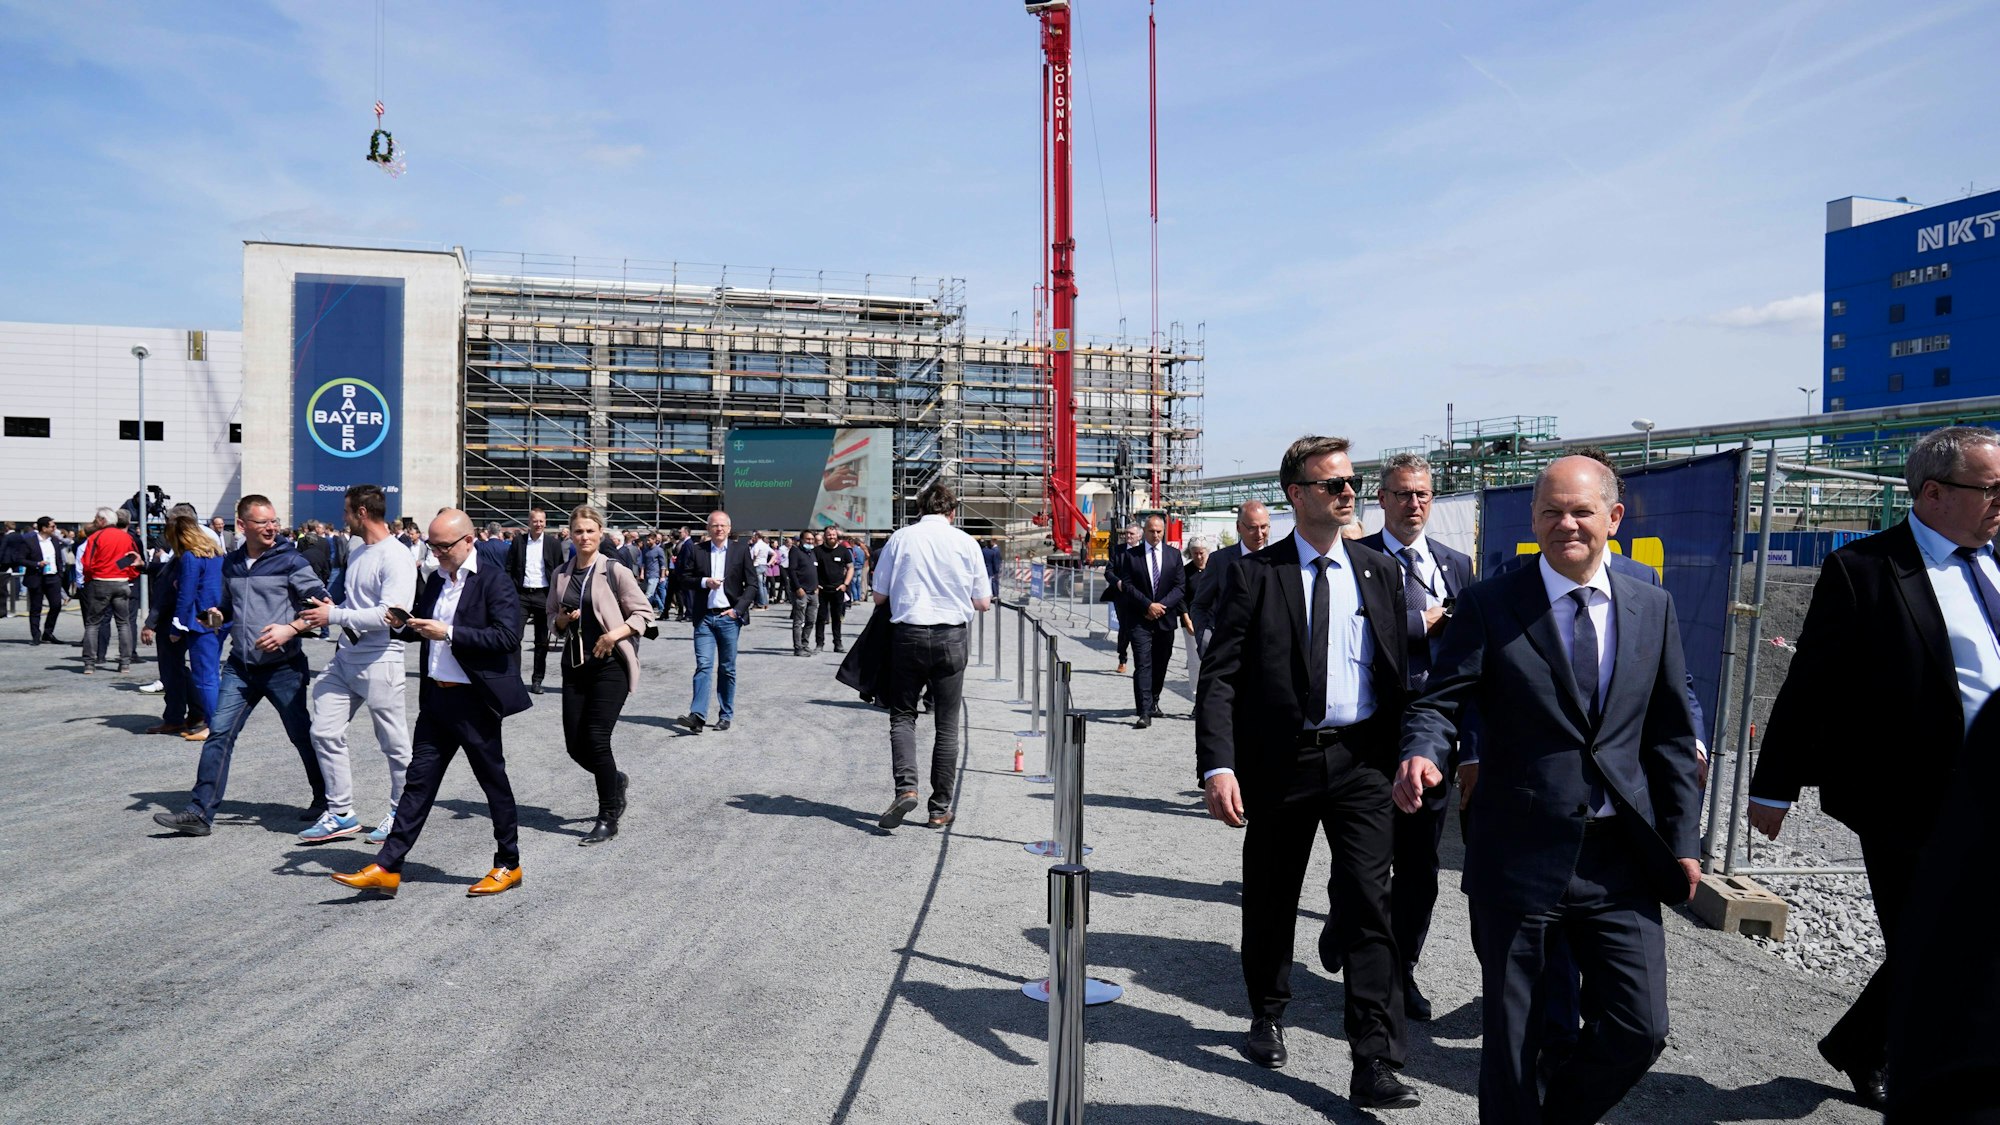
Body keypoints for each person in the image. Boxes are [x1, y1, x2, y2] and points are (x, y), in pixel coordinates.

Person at [1396, 455, 1702, 1125]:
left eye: (1581, 511)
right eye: (1552, 511)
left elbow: (1672, 735)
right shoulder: (1490, 603)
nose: (1566, 523)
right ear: (1534, 519)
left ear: (1613, 518)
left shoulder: (1652, 605)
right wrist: (1423, 752)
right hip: (1520, 854)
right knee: (1512, 1045)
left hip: (1619, 857)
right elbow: (1439, 703)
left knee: (1639, 1026)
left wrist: (1682, 839)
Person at [1748, 425, 2000, 1112]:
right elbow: (1810, 685)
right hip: (1909, 800)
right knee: (1930, 940)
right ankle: (1918, 1072)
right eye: (1992, 489)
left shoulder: (1996, 563)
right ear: (1933, 493)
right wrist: (1773, 785)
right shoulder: (1865, 570)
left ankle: (1861, 1041)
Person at [1195, 434, 1420, 1110]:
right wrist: (1219, 763)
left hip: (1360, 763)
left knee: (1368, 902)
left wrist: (1413, 752)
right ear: (1299, 495)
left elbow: (1397, 675)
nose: (1349, 492)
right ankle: (1266, 1010)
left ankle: (1374, 1058)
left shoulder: (1380, 573)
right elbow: (1220, 680)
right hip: (1279, 764)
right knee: (1270, 896)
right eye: (1333, 484)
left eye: (1352, 481)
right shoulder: (1254, 575)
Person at [332, 509, 533, 898]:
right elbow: (423, 629)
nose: (436, 553)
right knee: (417, 784)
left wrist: (450, 632)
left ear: (468, 540)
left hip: (476, 701)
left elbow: (507, 637)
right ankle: (388, 867)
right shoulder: (435, 580)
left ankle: (509, 864)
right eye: (432, 544)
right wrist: (403, 624)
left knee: (493, 784)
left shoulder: (495, 581)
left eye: (443, 546)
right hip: (438, 699)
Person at [1358, 452, 1474, 1022]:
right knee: (1364, 859)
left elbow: (1473, 656)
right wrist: (1418, 623)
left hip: (1435, 741)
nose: (1414, 504)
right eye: (1403, 494)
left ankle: (1402, 968)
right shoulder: (1360, 560)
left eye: (1423, 494)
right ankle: (1348, 927)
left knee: (1421, 864)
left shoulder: (1456, 565)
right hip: (1371, 736)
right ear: (1382, 500)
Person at [151, 495, 333, 836]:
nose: (271, 527)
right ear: (243, 525)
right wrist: (218, 615)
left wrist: (289, 629)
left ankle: (328, 801)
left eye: (274, 521)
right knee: (219, 733)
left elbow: (321, 606)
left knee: (300, 734)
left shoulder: (291, 560)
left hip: (284, 667)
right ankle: (199, 812)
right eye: (263, 522)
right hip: (241, 666)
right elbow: (227, 607)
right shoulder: (231, 563)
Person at [293, 484, 420, 845]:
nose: (343, 518)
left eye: (347, 511)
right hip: (346, 656)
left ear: (362, 512)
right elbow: (358, 601)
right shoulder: (357, 549)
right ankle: (341, 813)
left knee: (394, 744)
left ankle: (401, 812)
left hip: (382, 660)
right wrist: (334, 606)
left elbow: (391, 615)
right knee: (324, 731)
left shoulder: (396, 555)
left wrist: (333, 614)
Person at [870, 482, 991, 830]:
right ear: (952, 512)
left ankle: (906, 787)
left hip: (907, 635)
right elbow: (982, 602)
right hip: (951, 637)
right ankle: (939, 808)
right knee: (947, 726)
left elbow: (879, 596)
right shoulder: (967, 543)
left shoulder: (901, 538)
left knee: (902, 717)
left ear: (920, 509)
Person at [547, 505, 654, 845]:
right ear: (570, 535)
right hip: (576, 665)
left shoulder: (613, 570)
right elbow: (552, 616)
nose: (584, 537)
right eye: (578, 531)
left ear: (600, 534)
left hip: (610, 667)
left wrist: (613, 635)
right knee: (575, 747)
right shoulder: (561, 574)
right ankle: (615, 780)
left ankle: (608, 815)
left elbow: (644, 614)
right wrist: (562, 620)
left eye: (590, 531)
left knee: (595, 738)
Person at [676, 510, 757, 733]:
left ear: (729, 529)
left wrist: (737, 611)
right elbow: (683, 578)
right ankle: (697, 716)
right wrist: (704, 582)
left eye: (722, 525)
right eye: (714, 525)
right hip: (704, 618)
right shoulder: (696, 550)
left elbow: (752, 585)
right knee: (703, 665)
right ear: (708, 529)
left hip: (729, 618)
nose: (719, 529)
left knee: (727, 668)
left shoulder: (741, 551)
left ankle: (725, 714)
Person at [1112, 514, 1185, 727]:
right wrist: (1147, 605)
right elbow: (1127, 585)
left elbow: (1180, 587)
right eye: (1151, 531)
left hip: (1165, 619)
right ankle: (1143, 711)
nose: (1155, 535)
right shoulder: (1131, 556)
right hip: (1139, 619)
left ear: (1164, 532)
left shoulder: (1174, 555)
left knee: (1161, 663)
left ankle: (1154, 699)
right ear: (1145, 531)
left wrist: (1160, 608)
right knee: (1143, 664)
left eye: (1159, 531)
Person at [1192, 500, 1273, 657]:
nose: (1259, 534)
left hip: (1266, 653)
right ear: (1238, 527)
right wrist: (1205, 640)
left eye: (1264, 527)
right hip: (1227, 652)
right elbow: (1200, 605)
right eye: (1252, 528)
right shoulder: (1219, 561)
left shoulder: (1278, 561)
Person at [506, 507, 565, 694]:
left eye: (541, 521)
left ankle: (537, 680)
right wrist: (510, 592)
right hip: (521, 595)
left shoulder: (553, 544)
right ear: (528, 522)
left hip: (543, 596)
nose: (538, 524)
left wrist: (558, 598)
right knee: (515, 638)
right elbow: (509, 568)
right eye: (534, 521)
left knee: (541, 642)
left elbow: (560, 571)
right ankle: (514, 679)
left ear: (545, 523)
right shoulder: (518, 542)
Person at [77, 506, 142, 674]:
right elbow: (132, 559)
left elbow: (88, 563)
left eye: (97, 519)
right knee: (124, 623)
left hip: (100, 582)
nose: (95, 521)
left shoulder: (96, 537)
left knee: (93, 623)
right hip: (121, 582)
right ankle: (125, 663)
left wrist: (91, 577)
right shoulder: (126, 537)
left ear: (102, 520)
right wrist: (124, 572)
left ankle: (89, 663)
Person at [1105, 523, 1142, 672]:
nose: (1128, 536)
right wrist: (1117, 582)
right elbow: (1109, 572)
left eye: (1132, 534)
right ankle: (1122, 659)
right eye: (1127, 533)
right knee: (1125, 628)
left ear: (1139, 535)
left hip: (1141, 597)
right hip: (1122, 597)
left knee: (1140, 629)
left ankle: (1141, 662)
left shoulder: (1144, 552)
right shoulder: (1117, 551)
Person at [816, 527, 856, 653]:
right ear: (824, 536)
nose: (831, 537)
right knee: (821, 617)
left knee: (837, 617)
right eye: (829, 535)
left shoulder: (843, 551)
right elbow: (811, 569)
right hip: (822, 589)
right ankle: (819, 643)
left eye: (833, 535)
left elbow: (850, 568)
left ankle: (837, 644)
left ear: (836, 536)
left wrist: (845, 584)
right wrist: (815, 584)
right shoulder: (817, 551)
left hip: (838, 589)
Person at [789, 530, 820, 657]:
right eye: (808, 539)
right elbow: (792, 570)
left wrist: (817, 586)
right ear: (801, 540)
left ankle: (805, 644)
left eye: (812, 539)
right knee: (799, 621)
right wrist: (798, 588)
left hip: (813, 592)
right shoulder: (795, 551)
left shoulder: (811, 553)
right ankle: (798, 647)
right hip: (802, 592)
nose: (810, 542)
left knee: (811, 620)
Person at [748, 531, 773, 610]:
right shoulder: (765, 545)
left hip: (757, 565)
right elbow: (774, 554)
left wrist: (752, 563)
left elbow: (755, 554)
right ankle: (765, 603)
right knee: (763, 585)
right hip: (764, 565)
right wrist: (769, 563)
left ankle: (760, 603)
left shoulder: (757, 545)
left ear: (757, 537)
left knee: (758, 585)